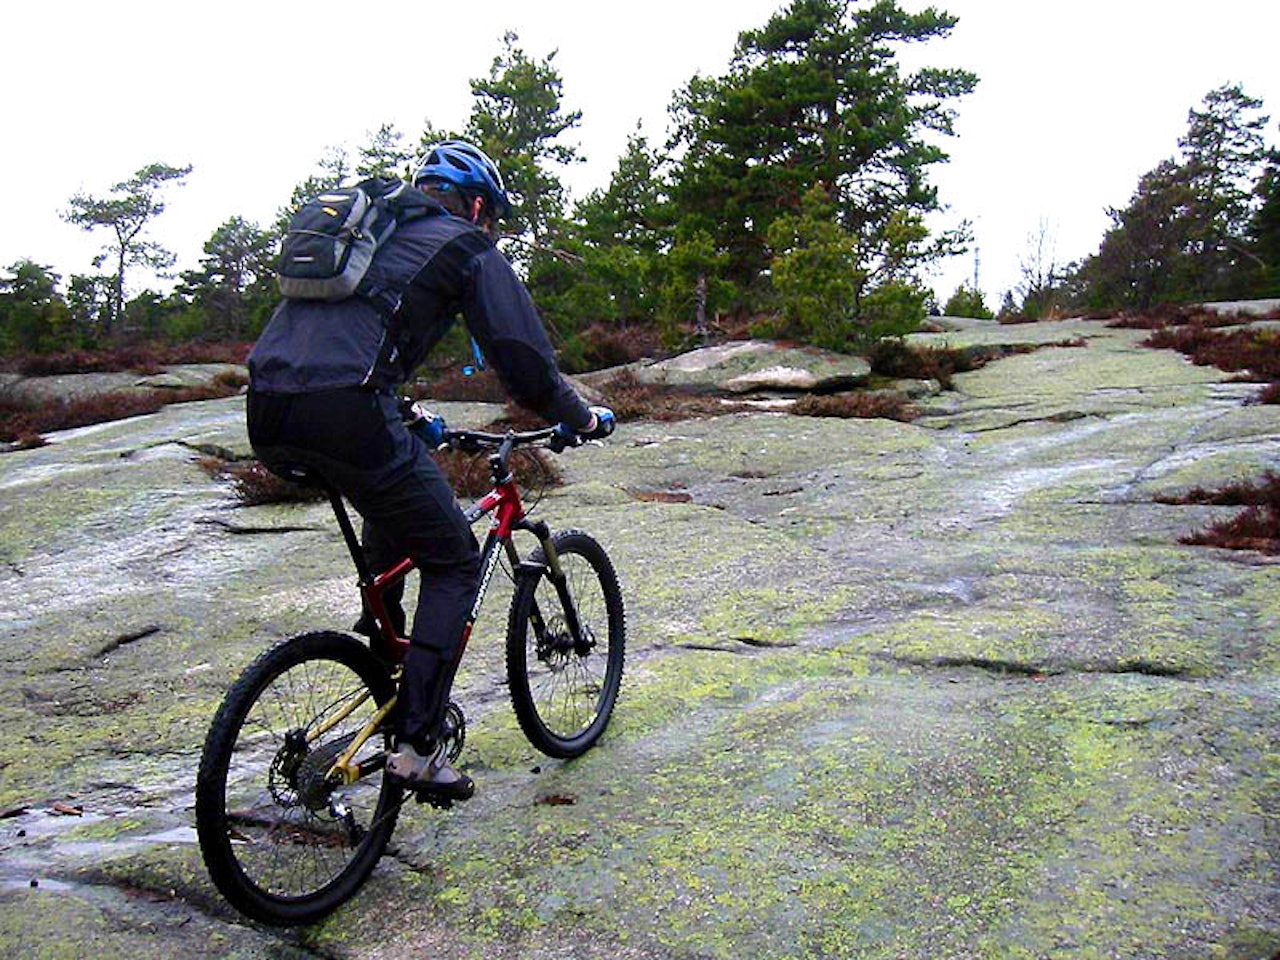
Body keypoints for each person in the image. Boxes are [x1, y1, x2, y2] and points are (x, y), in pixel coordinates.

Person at [245, 140, 613, 801]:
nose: (492, 226)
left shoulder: (372, 240)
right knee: (453, 561)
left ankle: (383, 665)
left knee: (393, 516)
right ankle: (416, 748)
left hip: (269, 410)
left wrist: (412, 417)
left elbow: (343, 343)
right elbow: (524, 363)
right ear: (477, 205)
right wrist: (580, 416)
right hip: (349, 410)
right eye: (492, 214)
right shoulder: (466, 244)